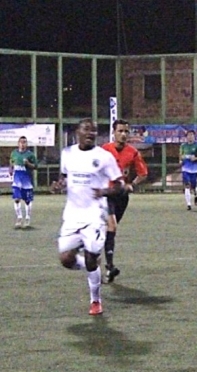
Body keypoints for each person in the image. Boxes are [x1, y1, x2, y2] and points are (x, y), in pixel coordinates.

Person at [53, 119, 125, 316]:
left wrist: (103, 191)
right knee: (66, 259)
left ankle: (95, 300)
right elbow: (65, 177)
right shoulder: (67, 153)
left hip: (94, 214)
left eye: (94, 130)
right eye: (86, 129)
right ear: (77, 132)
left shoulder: (104, 157)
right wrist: (60, 185)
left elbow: (120, 185)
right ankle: (90, 267)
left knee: (92, 255)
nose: (91, 133)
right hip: (72, 214)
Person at [101, 119, 149, 283]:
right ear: (114, 132)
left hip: (122, 197)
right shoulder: (104, 150)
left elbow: (143, 173)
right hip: (107, 194)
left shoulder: (133, 152)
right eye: (120, 131)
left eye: (126, 131)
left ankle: (106, 264)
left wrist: (132, 185)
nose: (123, 134)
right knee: (111, 226)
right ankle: (110, 266)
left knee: (110, 231)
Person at [9, 136, 38, 228]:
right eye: (21, 142)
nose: (23, 144)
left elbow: (36, 166)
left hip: (26, 181)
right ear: (18, 143)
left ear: (27, 144)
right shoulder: (14, 153)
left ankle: (27, 218)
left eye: (24, 142)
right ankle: (19, 217)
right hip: (17, 180)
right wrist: (11, 168)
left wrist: (28, 164)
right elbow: (11, 161)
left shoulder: (30, 155)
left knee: (27, 201)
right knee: (17, 199)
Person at [180, 130, 197, 210]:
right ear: (186, 137)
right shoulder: (183, 146)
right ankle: (189, 204)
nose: (190, 137)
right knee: (187, 184)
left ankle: (195, 194)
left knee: (193, 186)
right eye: (188, 135)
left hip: (194, 169)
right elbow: (181, 155)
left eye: (191, 135)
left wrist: (195, 158)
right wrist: (181, 160)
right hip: (185, 168)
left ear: (194, 137)